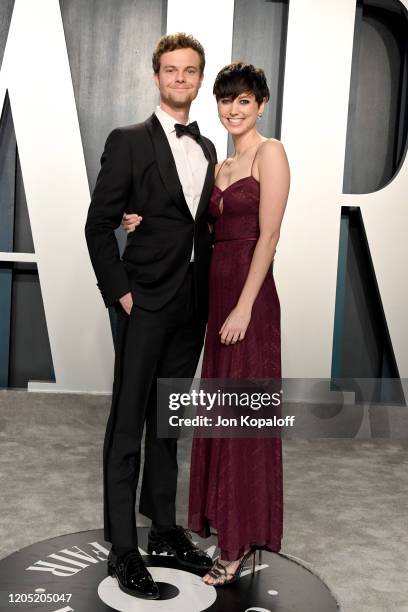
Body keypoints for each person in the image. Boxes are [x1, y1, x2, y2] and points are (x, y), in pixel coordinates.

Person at [123, 61, 290, 587]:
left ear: (261, 105)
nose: (233, 109)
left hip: (248, 300)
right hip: (212, 301)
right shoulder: (219, 164)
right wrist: (139, 218)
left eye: (244, 100)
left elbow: (268, 237)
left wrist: (243, 306)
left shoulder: (271, 153)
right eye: (226, 100)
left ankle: (239, 545)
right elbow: (188, 220)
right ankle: (228, 524)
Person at [85, 33, 216, 600]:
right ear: (157, 77)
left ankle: (163, 529)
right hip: (143, 303)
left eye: (190, 71)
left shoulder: (208, 149)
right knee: (127, 425)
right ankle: (122, 548)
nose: (180, 79)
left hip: (190, 306)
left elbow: (196, 226)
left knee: (168, 423)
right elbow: (98, 225)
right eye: (171, 70)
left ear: (199, 78)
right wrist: (121, 294)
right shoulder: (129, 140)